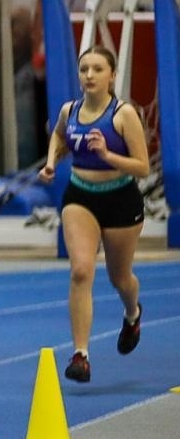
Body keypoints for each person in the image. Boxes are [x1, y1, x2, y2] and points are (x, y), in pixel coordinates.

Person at [36, 46, 149, 382]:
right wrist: (52, 162)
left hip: (121, 199)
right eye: (84, 69)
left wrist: (108, 154)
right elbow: (58, 135)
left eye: (97, 69)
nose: (89, 75)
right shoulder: (69, 110)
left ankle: (132, 312)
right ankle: (81, 354)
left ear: (112, 75)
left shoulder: (123, 114)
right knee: (81, 270)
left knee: (120, 278)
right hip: (80, 195)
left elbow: (142, 167)